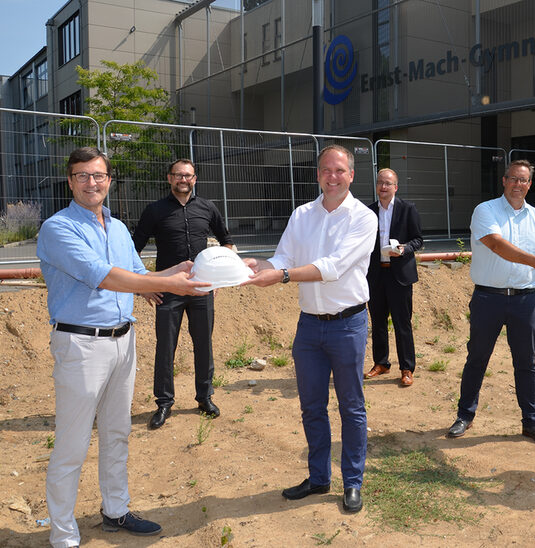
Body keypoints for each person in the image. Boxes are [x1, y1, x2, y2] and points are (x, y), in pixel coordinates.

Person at [36, 147, 209, 548]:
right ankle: (63, 535)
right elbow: (105, 277)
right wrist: (165, 285)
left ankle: (116, 509)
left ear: (109, 181)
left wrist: (179, 272)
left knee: (117, 433)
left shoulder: (116, 227)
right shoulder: (58, 228)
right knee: (73, 443)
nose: (91, 183)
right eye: (82, 175)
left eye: (98, 176)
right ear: (70, 181)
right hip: (81, 344)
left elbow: (135, 273)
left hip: (122, 341)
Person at [243, 145, 376, 513]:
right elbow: (285, 257)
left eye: (338, 170)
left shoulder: (364, 218)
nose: (331, 177)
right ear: (317, 174)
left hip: (348, 325)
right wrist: (260, 264)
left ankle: (352, 482)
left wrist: (282, 275)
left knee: (351, 407)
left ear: (351, 174)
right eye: (324, 170)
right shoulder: (302, 214)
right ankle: (319, 478)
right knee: (312, 407)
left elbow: (333, 266)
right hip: (309, 328)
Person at [446, 159, 535, 447]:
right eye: (513, 179)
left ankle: (532, 424)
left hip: (525, 300)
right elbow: (496, 245)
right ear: (503, 181)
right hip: (489, 299)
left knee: (527, 363)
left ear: (529, 185)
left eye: (523, 180)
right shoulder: (485, 210)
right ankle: (464, 416)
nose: (518, 185)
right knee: (477, 359)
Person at [133, 159, 235, 429]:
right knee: (165, 347)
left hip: (202, 288)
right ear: (169, 178)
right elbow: (132, 250)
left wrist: (224, 274)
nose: (183, 180)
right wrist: (144, 284)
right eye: (178, 175)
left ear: (195, 179)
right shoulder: (154, 211)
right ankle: (164, 403)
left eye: (188, 175)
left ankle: (204, 398)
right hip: (169, 290)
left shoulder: (207, 208)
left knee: (204, 345)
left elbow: (227, 242)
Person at [364, 168, 423, 386]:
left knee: (402, 323)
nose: (383, 186)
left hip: (400, 275)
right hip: (376, 274)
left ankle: (407, 368)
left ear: (395, 187)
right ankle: (381, 363)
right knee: (378, 321)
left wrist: (404, 248)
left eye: (388, 183)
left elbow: (418, 239)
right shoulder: (368, 212)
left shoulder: (408, 209)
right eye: (380, 182)